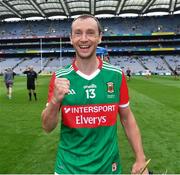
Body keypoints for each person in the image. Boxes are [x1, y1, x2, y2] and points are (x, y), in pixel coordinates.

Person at [41, 14, 148, 174]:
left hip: (108, 169)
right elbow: (47, 127)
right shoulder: (60, 77)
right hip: (68, 169)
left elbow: (127, 118)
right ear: (71, 38)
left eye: (90, 32)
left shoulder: (116, 75)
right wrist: (55, 101)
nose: (84, 39)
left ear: (99, 38)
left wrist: (140, 158)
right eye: (78, 33)